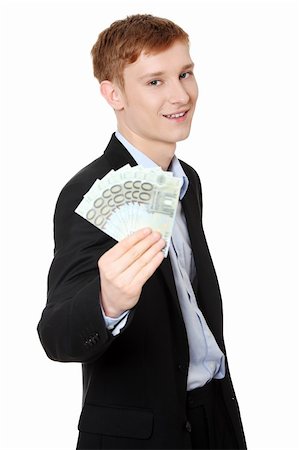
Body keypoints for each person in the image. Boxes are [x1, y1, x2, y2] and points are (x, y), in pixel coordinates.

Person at [37, 14, 247, 450]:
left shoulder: (187, 181)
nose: (180, 94)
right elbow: (55, 333)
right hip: (143, 437)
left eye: (185, 73)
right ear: (113, 94)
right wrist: (107, 303)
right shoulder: (85, 193)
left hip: (214, 418)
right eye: (155, 82)